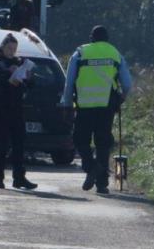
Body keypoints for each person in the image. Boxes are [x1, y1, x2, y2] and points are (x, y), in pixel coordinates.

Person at [60, 25, 132, 194]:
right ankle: (102, 184)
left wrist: (67, 104)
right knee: (103, 143)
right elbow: (127, 84)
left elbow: (69, 83)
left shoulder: (80, 53)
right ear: (107, 39)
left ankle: (91, 166)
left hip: (84, 106)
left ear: (91, 38)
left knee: (80, 140)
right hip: (106, 107)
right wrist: (121, 97)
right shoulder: (115, 54)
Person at [0, 33, 37, 190]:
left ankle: (19, 178)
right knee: (1, 144)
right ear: (2, 47)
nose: (12, 51)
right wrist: (7, 73)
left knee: (19, 144)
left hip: (16, 108)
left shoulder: (19, 62)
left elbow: (30, 85)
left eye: (14, 48)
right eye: (9, 48)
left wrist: (28, 77)